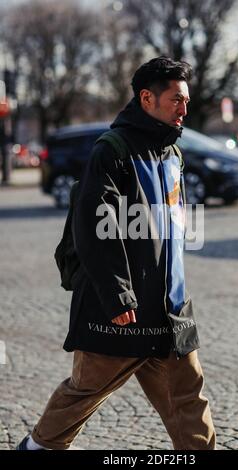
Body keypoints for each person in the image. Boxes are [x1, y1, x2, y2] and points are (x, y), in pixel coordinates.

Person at [16, 57, 216, 451]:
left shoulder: (172, 155)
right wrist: (118, 294)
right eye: (176, 100)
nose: (184, 109)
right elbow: (92, 228)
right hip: (122, 311)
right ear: (147, 98)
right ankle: (36, 448)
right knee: (83, 393)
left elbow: (172, 231)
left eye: (186, 100)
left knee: (189, 401)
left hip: (170, 310)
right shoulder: (112, 151)